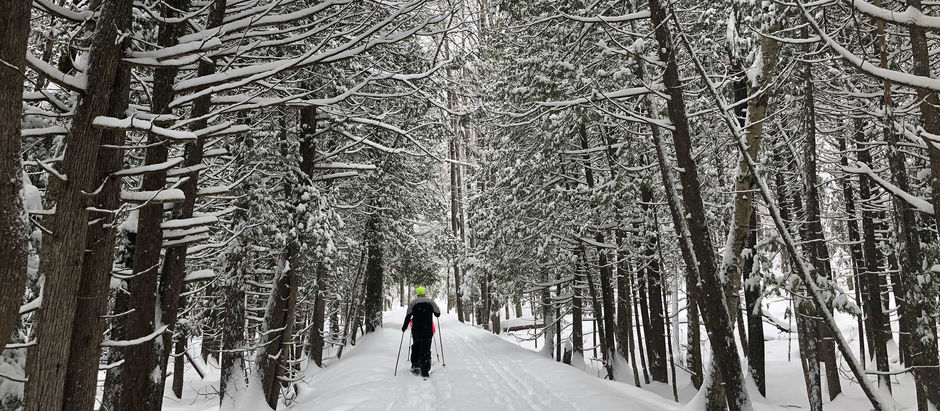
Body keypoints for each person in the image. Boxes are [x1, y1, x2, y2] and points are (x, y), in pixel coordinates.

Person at [401, 286, 440, 377]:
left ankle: (415, 365)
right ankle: (425, 370)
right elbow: (437, 314)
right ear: (424, 293)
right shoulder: (430, 302)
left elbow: (408, 316)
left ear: (417, 293)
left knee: (416, 347)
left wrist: (404, 327)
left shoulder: (413, 303)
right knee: (426, 349)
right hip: (427, 330)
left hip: (416, 331)